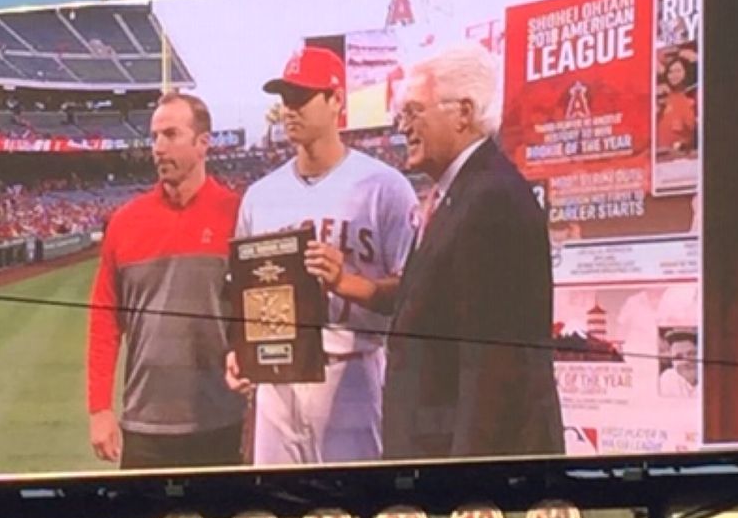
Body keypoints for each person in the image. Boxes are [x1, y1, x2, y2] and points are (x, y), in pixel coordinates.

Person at [225, 45, 418, 465]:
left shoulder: (384, 186)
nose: (289, 109)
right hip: (278, 378)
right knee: (278, 509)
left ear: (336, 101)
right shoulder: (260, 196)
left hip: (352, 369)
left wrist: (348, 283)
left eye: (301, 97)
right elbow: (242, 295)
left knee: (355, 504)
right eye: (284, 99)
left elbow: (412, 293)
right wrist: (240, 351)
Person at [379, 43, 563, 459]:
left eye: (414, 112)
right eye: (401, 114)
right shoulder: (462, 194)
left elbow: (493, 367)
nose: (402, 127)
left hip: (468, 464)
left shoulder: (490, 200)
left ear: (463, 112)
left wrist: (467, 477)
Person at [88, 92, 245, 470]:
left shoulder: (238, 214)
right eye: (154, 136)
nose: (158, 147)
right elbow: (104, 320)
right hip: (145, 423)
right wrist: (99, 409)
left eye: (171, 135)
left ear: (202, 143)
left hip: (222, 419)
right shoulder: (126, 222)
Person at [658, 329, 698, 398]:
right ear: (673, 361)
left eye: (691, 354)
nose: (686, 361)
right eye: (679, 356)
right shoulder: (667, 379)